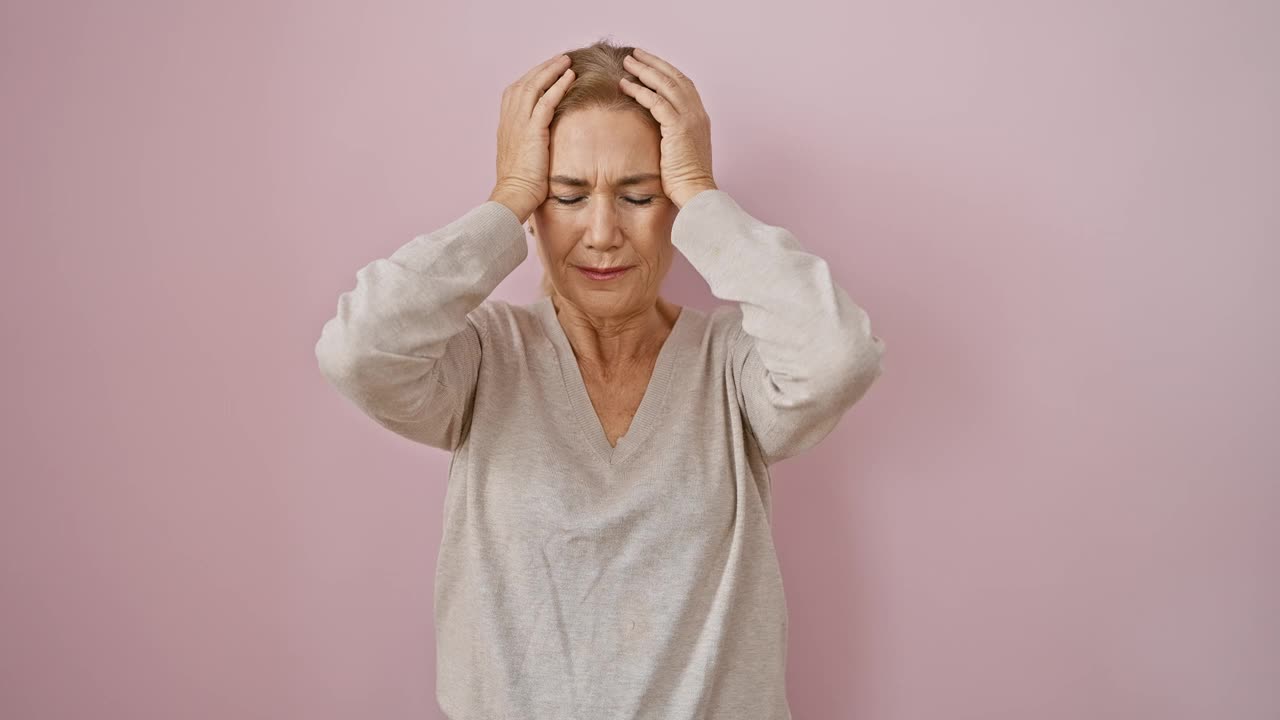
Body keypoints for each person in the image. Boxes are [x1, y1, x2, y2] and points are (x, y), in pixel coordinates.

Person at [315, 39, 886, 720]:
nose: (603, 231)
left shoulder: (733, 368)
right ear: (535, 211)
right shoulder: (484, 359)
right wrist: (506, 198)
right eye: (568, 194)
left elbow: (838, 355)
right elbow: (359, 349)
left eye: (640, 195)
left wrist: (702, 195)